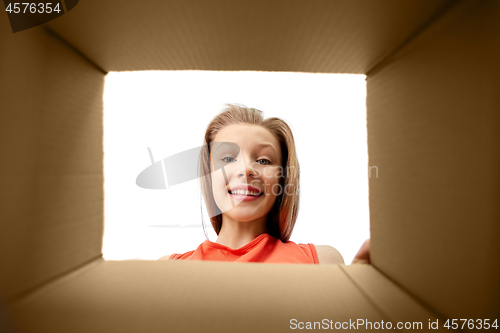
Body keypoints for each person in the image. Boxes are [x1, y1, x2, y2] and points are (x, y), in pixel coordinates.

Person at [159, 104, 370, 264]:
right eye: (228, 159)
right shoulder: (168, 269)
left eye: (263, 161)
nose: (246, 170)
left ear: (283, 179)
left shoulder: (322, 262)